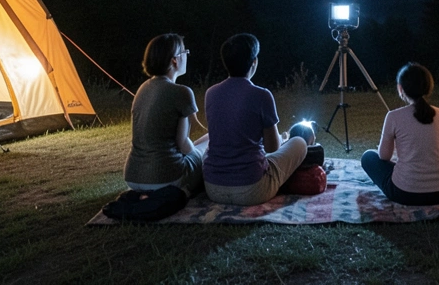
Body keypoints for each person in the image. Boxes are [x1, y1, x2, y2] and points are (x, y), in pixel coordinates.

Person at [202, 33, 308, 205]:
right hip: (251, 189)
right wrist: (284, 138)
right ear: (254, 62)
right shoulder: (262, 95)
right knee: (299, 143)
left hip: (213, 188)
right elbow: (272, 147)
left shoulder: (211, 93)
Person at [361, 62, 439, 205]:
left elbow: (384, 156)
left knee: (368, 156)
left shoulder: (393, 116)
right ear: (428, 87)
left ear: (401, 88)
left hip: (405, 193)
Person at [123, 33, 207, 194]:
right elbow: (186, 140)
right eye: (185, 52)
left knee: (199, 147)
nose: (187, 56)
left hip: (132, 176)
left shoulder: (143, 89)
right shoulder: (181, 92)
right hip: (166, 178)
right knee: (210, 143)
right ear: (175, 60)